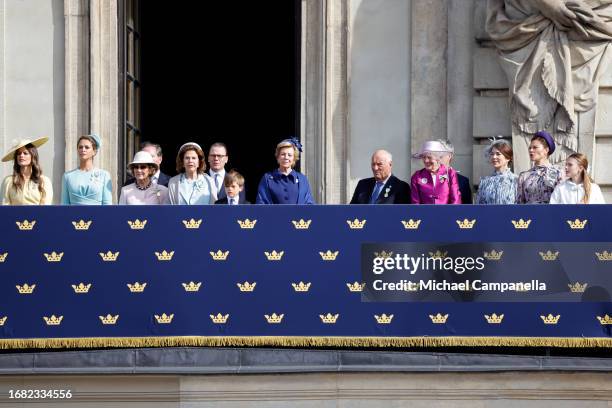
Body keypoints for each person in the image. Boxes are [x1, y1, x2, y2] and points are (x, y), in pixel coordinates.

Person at [256, 138, 315, 204]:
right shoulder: (267, 179)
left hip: (297, 214)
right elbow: (261, 204)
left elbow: (309, 204)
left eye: (289, 155)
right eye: (283, 154)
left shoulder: (302, 179)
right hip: (274, 214)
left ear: (294, 158)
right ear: (278, 157)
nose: (286, 157)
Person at [61, 134, 112, 205]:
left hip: (98, 215)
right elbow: (64, 205)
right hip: (73, 215)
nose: (83, 150)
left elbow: (107, 205)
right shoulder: (67, 176)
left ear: (94, 151)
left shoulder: (104, 175)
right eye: (80, 147)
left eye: (87, 147)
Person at [1, 137, 53, 205]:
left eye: (25, 153)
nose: (21, 156)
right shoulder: (8, 181)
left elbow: (45, 209)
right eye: (19, 154)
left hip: (37, 215)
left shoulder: (44, 181)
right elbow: (4, 208)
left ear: (33, 156)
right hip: (14, 216)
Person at [517, 131, 562, 204]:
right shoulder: (524, 176)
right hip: (530, 214)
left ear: (546, 150)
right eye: (530, 148)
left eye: (535, 147)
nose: (531, 150)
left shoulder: (558, 172)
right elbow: (519, 203)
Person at [476, 138, 518, 204]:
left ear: (508, 158)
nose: (494, 157)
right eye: (492, 154)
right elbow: (478, 207)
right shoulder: (484, 182)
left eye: (498, 154)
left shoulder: (516, 180)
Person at [437, 140, 473, 204]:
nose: (436, 158)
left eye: (440, 156)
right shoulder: (421, 178)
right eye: (434, 155)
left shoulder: (463, 181)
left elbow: (468, 209)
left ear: (450, 156)